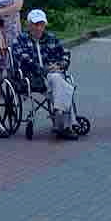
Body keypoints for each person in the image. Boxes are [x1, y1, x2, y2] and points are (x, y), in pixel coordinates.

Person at [11, 10, 78, 138]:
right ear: (28, 25)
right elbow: (23, 59)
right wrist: (45, 69)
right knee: (62, 84)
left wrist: (60, 65)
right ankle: (64, 123)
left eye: (41, 24)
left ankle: (59, 112)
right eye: (36, 24)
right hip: (32, 77)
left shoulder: (51, 38)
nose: (39, 27)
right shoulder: (20, 40)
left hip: (53, 75)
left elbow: (65, 53)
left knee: (56, 78)